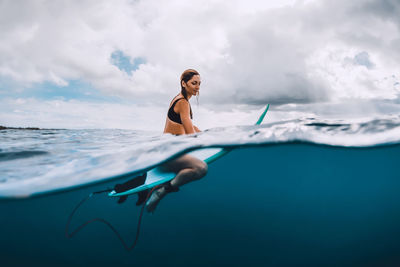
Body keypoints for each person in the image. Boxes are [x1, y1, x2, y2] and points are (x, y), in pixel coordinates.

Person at [145, 69, 208, 212]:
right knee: (201, 168)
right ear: (183, 83)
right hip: (168, 152)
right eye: (194, 83)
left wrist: (205, 134)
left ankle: (158, 187)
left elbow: (189, 126)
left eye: (199, 83)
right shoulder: (183, 103)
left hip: (165, 150)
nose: (197, 87)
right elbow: (190, 134)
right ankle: (162, 191)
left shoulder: (178, 98)